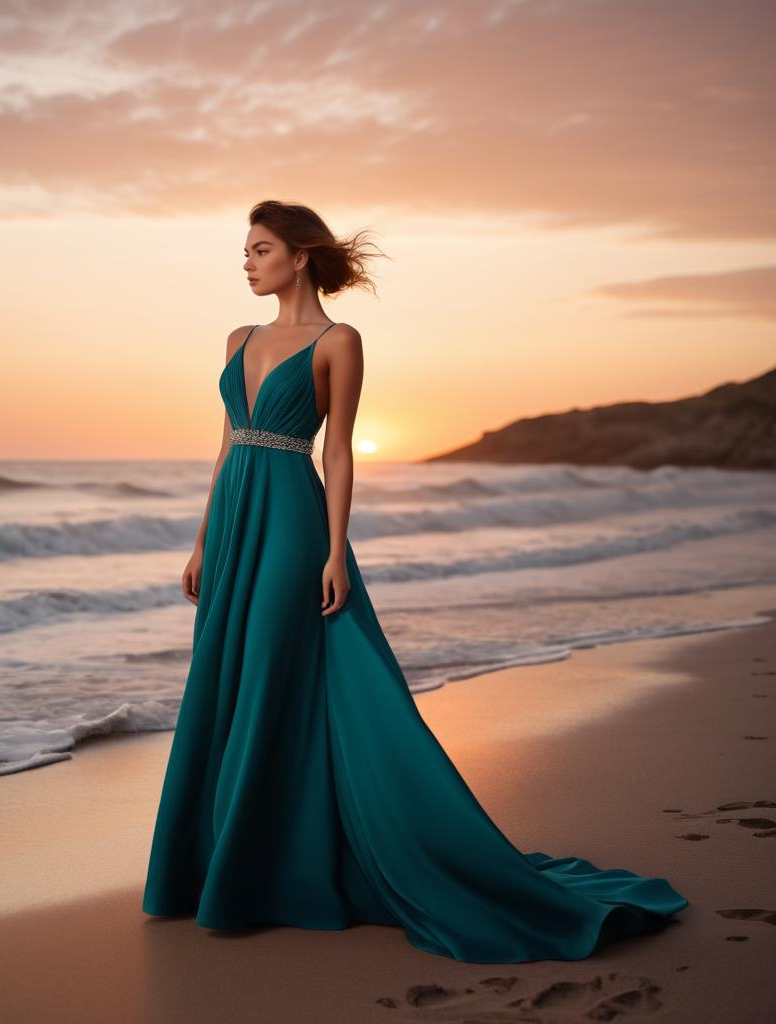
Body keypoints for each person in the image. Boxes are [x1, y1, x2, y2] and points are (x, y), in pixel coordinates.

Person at [142, 199, 688, 962]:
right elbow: (229, 446)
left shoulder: (340, 341)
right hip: (235, 527)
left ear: (299, 257)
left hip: (296, 526)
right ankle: (216, 863)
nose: (247, 261)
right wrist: (201, 542)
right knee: (224, 684)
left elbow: (337, 452)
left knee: (272, 679)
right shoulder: (239, 339)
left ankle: (262, 869)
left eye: (260, 248)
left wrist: (335, 551)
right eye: (245, 250)